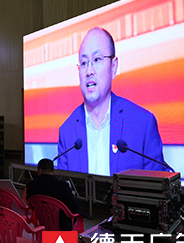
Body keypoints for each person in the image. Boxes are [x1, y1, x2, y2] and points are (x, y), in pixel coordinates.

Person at [57, 27, 166, 176]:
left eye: (97, 60)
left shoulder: (142, 124)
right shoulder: (67, 132)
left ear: (113, 67)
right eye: (83, 63)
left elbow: (156, 187)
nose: (89, 71)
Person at [26, 158, 80, 230]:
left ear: (39, 170)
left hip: (42, 221)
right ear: (53, 171)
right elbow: (74, 206)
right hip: (62, 225)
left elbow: (30, 203)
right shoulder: (63, 185)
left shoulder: (31, 185)